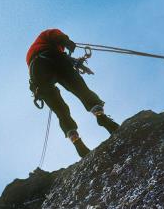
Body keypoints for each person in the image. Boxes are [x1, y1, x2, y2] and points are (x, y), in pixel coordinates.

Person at [27, 29, 119, 157]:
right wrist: (66, 40)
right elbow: (55, 38)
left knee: (60, 110)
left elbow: (62, 57)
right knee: (79, 88)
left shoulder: (37, 48)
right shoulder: (49, 37)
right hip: (52, 58)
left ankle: (75, 140)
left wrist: (77, 63)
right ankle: (100, 116)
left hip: (36, 73)